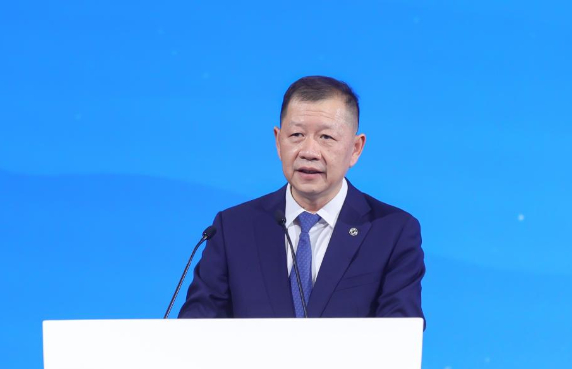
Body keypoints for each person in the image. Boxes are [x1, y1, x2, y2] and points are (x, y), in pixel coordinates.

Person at [178, 75, 424, 320]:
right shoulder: (233, 228)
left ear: (355, 148)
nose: (309, 152)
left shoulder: (392, 231)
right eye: (296, 135)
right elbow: (195, 326)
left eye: (326, 137)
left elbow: (400, 331)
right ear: (278, 141)